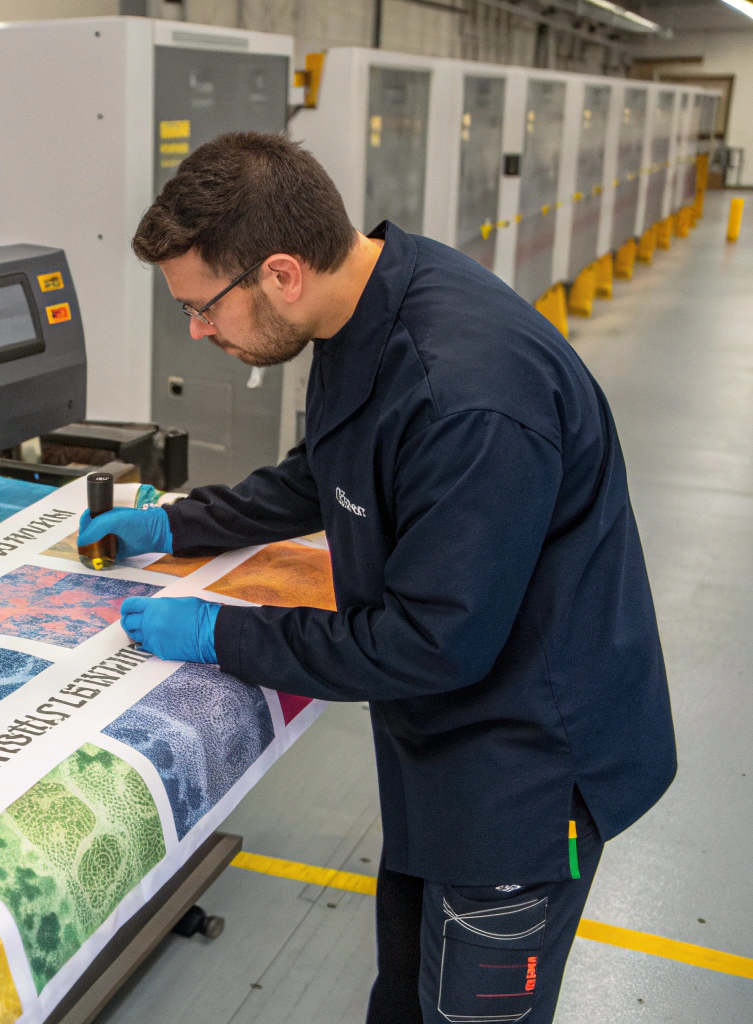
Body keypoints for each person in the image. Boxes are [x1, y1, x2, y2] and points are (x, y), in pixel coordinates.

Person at [77, 132, 675, 1024]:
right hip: (444, 744)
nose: (198, 331)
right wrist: (178, 524)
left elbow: (432, 643)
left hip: (525, 771)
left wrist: (221, 632)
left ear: (281, 273)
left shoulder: (470, 397)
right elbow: (330, 468)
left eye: (202, 307)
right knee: (402, 997)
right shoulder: (362, 307)